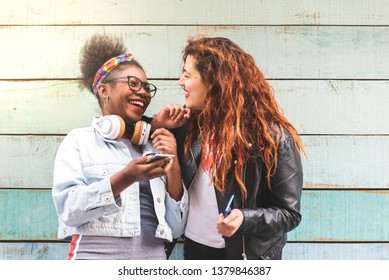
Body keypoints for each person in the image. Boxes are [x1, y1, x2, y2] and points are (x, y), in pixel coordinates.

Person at [52, 34, 188, 260]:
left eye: (146, 87)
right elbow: (68, 211)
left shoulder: (155, 146)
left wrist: (173, 166)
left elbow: (176, 228)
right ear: (104, 91)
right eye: (133, 83)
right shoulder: (79, 141)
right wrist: (126, 177)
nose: (143, 92)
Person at [168, 36, 305, 260]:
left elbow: (288, 213)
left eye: (187, 74)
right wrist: (160, 124)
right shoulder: (188, 126)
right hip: (194, 250)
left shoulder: (273, 138)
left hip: (244, 256)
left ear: (214, 81)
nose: (180, 82)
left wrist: (244, 218)